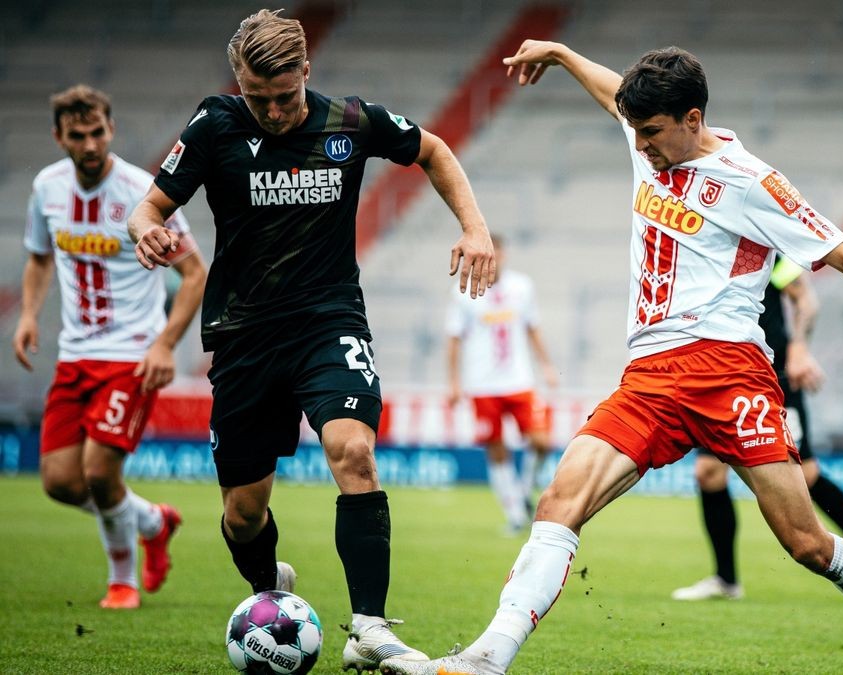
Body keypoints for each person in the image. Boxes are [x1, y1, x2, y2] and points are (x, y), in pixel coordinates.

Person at [389, 42, 843, 675]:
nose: (640, 146)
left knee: (808, 544)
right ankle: (484, 661)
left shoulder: (753, 181)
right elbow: (615, 93)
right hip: (650, 376)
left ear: (693, 119)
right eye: (634, 131)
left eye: (653, 132)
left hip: (730, 373)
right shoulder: (648, 133)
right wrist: (560, 54)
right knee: (559, 501)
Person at [127, 10, 495, 672]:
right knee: (242, 514)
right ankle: (269, 593)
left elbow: (434, 150)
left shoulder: (348, 124)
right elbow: (150, 204)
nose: (270, 110)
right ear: (239, 82)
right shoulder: (215, 124)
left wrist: (475, 228)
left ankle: (370, 628)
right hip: (243, 337)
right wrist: (144, 228)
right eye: (256, 96)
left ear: (307, 71)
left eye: (284, 95)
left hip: (329, 322)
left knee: (353, 450)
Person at [14, 85, 206, 609]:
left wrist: (166, 345)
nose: (91, 143)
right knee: (60, 483)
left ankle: (122, 580)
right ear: (60, 138)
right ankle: (152, 521)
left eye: (98, 132)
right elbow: (37, 257)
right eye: (78, 135)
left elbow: (194, 275)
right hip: (75, 354)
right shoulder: (46, 188)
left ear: (111, 129)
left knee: (100, 473)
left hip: (131, 354)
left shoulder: (143, 191)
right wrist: (29, 315)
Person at [672, 259, 843, 602]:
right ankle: (726, 580)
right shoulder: (707, 250)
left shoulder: (764, 252)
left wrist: (799, 348)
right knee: (708, 473)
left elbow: (806, 300)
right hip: (725, 377)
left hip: (773, 378)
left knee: (807, 475)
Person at [446, 234, 557, 534]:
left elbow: (533, 328)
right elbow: (454, 339)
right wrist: (455, 383)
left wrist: (546, 366)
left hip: (519, 380)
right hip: (482, 385)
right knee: (496, 450)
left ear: (503, 255)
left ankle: (523, 492)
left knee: (541, 441)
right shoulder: (464, 292)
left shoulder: (522, 287)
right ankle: (515, 515)